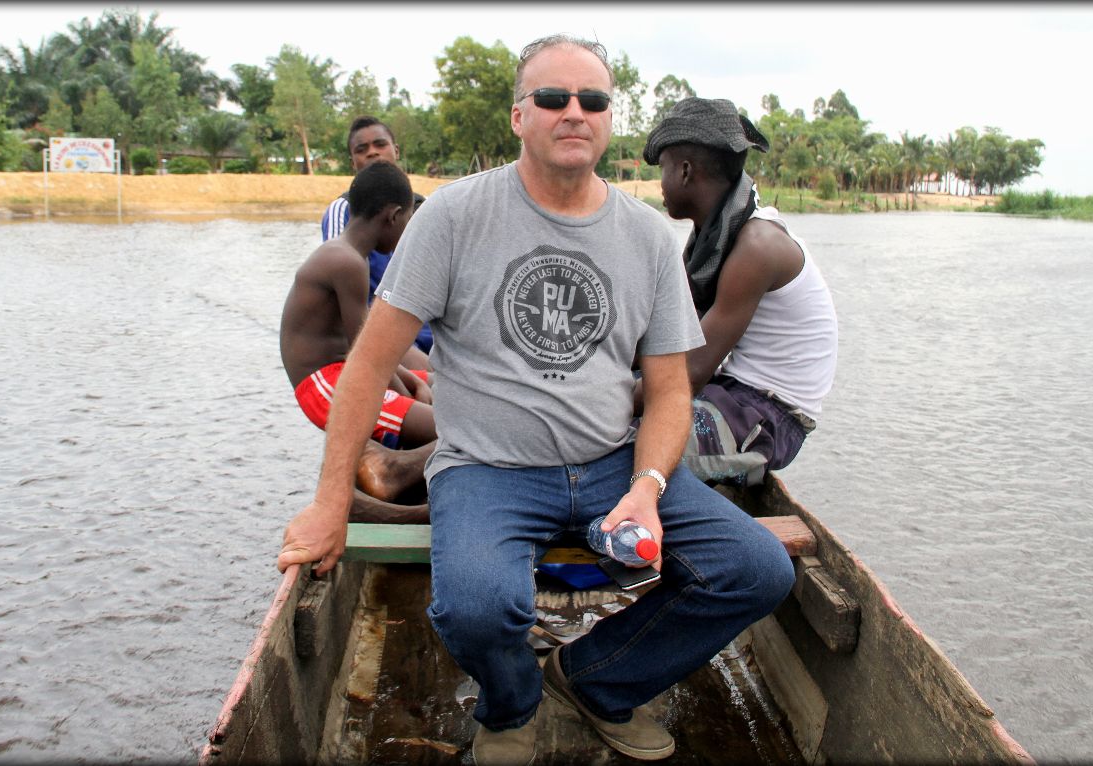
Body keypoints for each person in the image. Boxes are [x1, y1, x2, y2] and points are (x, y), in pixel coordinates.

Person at [278, 35, 795, 766]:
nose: (573, 112)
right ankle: (511, 704)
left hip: (615, 461)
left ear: (610, 119)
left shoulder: (646, 236)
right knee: (477, 607)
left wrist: (648, 487)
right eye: (553, 98)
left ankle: (597, 680)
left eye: (593, 100)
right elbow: (367, 366)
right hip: (488, 468)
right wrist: (331, 501)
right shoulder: (454, 217)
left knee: (757, 570)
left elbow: (673, 392)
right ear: (520, 115)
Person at [638, 97, 838, 485]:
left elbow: (690, 372)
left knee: (625, 443)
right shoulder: (714, 238)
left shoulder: (757, 246)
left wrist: (595, 407)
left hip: (769, 415)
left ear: (684, 172)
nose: (659, 184)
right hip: (732, 388)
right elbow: (669, 331)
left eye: (661, 169)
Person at [280, 160, 437, 505]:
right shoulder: (347, 263)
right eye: (409, 221)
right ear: (393, 216)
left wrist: (416, 382)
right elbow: (369, 356)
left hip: (344, 373)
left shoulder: (351, 255)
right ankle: (390, 472)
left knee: (442, 384)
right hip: (326, 387)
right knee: (460, 429)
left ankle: (399, 463)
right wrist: (410, 398)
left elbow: (369, 348)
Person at [322, 115, 435, 358]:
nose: (372, 153)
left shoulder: (424, 208)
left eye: (380, 145)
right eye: (362, 150)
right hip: (381, 335)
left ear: (395, 150)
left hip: (431, 334)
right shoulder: (342, 210)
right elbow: (337, 294)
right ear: (353, 162)